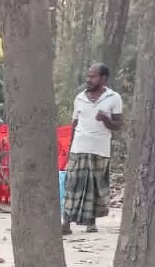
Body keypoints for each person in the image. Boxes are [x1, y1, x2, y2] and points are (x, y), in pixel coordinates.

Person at [62, 63, 124, 235]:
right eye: (88, 76)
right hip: (79, 147)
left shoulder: (113, 98)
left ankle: (91, 222)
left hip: (100, 148)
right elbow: (74, 124)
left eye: (93, 76)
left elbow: (118, 125)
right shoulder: (79, 98)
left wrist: (106, 119)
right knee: (73, 185)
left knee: (94, 187)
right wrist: (70, 147)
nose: (88, 80)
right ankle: (66, 222)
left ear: (103, 78)